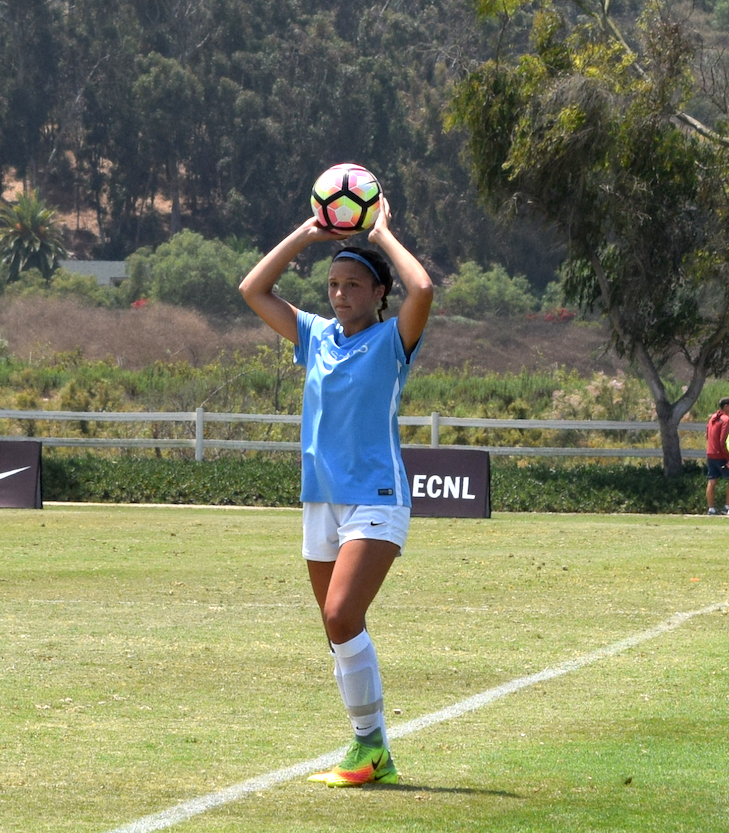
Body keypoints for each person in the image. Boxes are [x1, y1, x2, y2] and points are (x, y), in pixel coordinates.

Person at [238, 196, 434, 786]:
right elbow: (253, 289)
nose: (341, 294)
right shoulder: (316, 337)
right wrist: (305, 233)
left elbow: (421, 289)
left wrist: (381, 235)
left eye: (354, 285)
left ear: (378, 294)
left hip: (375, 496)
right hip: (320, 498)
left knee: (341, 613)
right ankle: (370, 750)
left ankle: (371, 747)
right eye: (333, 285)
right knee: (336, 627)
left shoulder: (392, 342)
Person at [705, 397, 729, 515]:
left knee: (712, 481)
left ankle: (711, 509)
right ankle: (727, 507)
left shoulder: (712, 418)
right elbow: (723, 440)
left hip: (710, 453)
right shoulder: (726, 419)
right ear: (726, 406)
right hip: (721, 455)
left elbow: (707, 435)